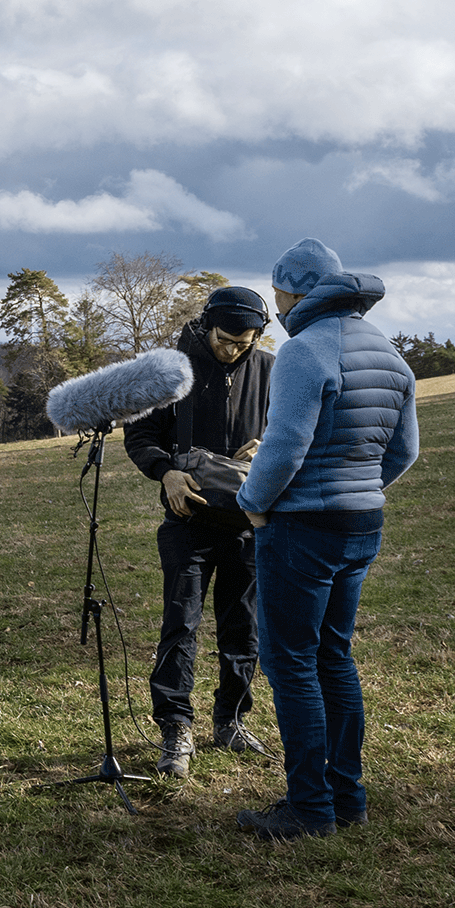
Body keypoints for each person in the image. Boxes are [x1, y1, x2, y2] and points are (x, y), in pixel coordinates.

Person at [233, 238, 419, 840]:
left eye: (278, 290)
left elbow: (284, 445)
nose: (276, 302)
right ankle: (348, 797)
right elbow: (405, 450)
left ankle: (309, 809)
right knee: (334, 657)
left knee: (290, 663)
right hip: (363, 523)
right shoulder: (389, 353)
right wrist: (361, 485)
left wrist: (252, 503)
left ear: (297, 290)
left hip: (301, 528)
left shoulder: (303, 352)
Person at [124, 286, 276, 779]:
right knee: (180, 625)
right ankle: (175, 728)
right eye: (224, 339)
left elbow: (292, 433)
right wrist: (165, 470)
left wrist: (266, 452)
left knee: (243, 628)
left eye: (243, 342)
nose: (232, 350)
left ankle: (230, 721)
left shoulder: (271, 370)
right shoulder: (170, 371)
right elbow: (139, 433)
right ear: (206, 325)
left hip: (248, 524)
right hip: (187, 522)